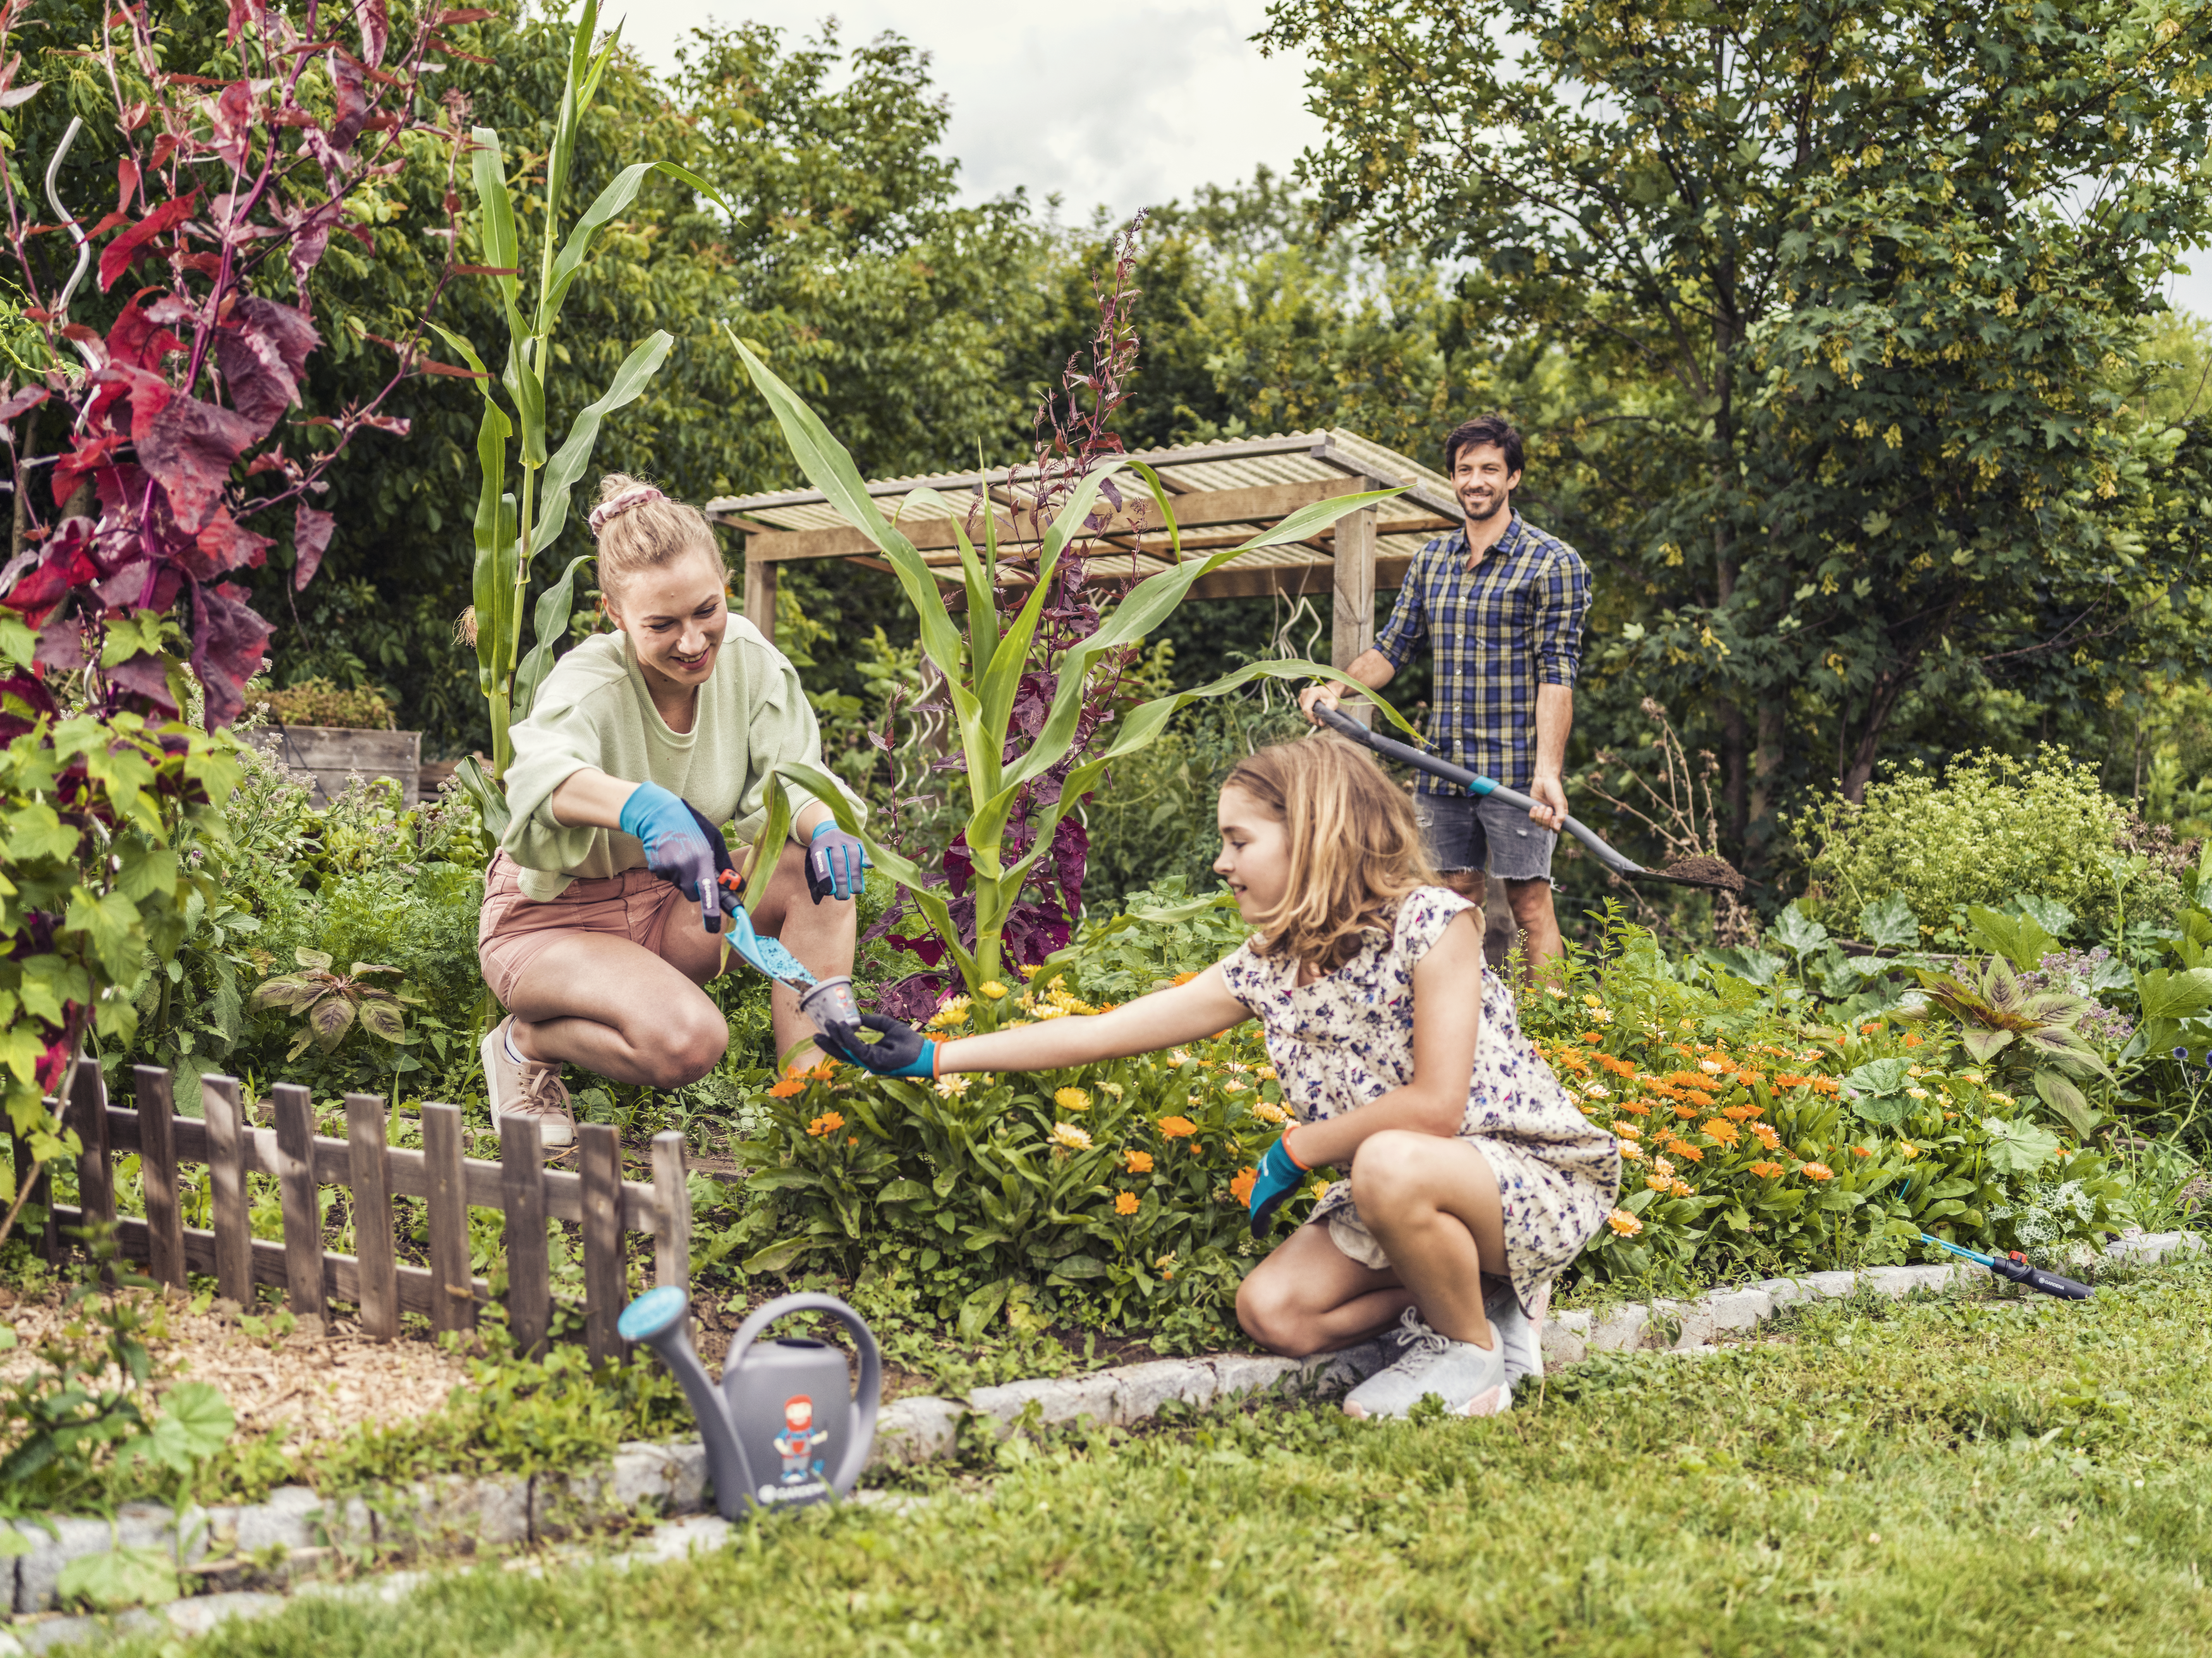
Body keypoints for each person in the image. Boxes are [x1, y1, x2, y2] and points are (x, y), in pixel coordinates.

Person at [815, 737, 1619, 1419]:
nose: (1220, 862)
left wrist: (1298, 1148)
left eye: (1239, 842)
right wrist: (932, 1056)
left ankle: (1470, 1353)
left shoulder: (1431, 923)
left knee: (1386, 1158)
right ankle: (1483, 1296)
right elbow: (1102, 1033)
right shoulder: (1268, 966)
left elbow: (1435, 1108)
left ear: (1311, 836)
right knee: (1274, 1312)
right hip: (1406, 1186)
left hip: (1518, 1172)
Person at [476, 474, 870, 1149]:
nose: (693, 642)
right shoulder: (591, 679)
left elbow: (793, 776)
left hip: (670, 907)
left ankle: (816, 1111)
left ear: (723, 583)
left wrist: (825, 823)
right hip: (551, 920)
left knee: (815, 872)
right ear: (614, 615)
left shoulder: (747, 660)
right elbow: (534, 782)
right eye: (661, 624)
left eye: (706, 611)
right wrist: (641, 806)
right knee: (689, 1044)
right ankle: (524, 1041)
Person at [1299, 414, 1591, 974]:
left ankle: (1557, 1035)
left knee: (1531, 905)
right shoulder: (1432, 561)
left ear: (1514, 478)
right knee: (1450, 902)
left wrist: (1548, 771)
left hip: (1514, 771)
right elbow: (1392, 647)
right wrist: (1336, 687)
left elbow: (1559, 670)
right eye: (1465, 470)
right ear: (1453, 479)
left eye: (1489, 469)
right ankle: (1460, 1022)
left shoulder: (1553, 562)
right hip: (1443, 769)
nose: (1475, 480)